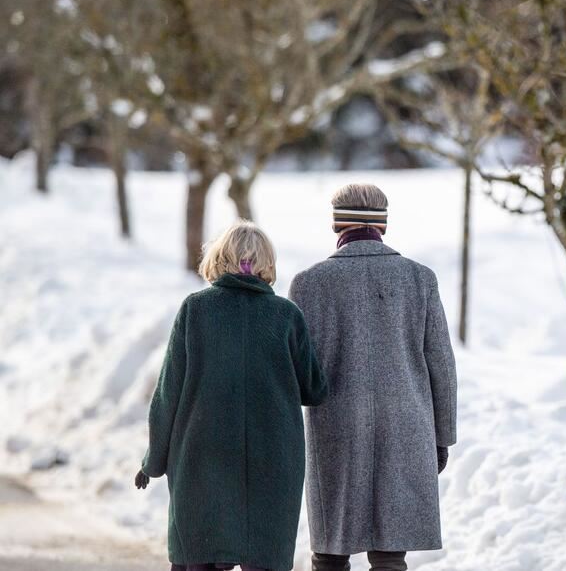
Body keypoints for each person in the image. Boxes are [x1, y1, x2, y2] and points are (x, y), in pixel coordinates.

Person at [136, 221, 329, 571]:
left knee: (199, 556)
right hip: (273, 462)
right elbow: (315, 389)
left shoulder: (195, 310)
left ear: (219, 258)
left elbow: (168, 394)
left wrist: (153, 461)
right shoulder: (287, 316)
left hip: (202, 459)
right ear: (266, 263)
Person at [289, 183, 457, 571]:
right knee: (390, 552)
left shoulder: (309, 283)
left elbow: (296, 368)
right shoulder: (420, 279)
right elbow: (441, 364)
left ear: (337, 225)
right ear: (383, 222)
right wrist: (442, 436)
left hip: (335, 427)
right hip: (407, 426)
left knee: (330, 552)